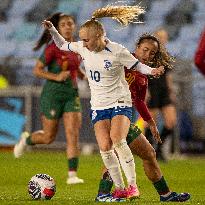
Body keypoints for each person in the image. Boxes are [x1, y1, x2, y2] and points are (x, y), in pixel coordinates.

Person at [43, 4, 164, 202]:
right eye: (81, 40)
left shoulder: (117, 50)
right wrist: (52, 30)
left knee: (118, 139)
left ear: (99, 37)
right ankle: (119, 189)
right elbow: (62, 44)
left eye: (86, 39)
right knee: (105, 149)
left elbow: (138, 66)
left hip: (120, 101)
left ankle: (133, 186)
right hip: (99, 106)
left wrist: (153, 71)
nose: (82, 43)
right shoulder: (83, 47)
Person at [95, 34, 190, 202]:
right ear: (137, 46)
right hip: (107, 112)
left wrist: (151, 123)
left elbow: (139, 101)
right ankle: (103, 194)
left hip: (123, 116)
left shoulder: (142, 78)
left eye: (152, 53)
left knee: (148, 153)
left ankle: (165, 195)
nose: (147, 55)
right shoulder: (122, 58)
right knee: (116, 151)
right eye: (145, 50)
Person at [14, 13, 86, 185]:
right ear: (58, 28)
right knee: (48, 137)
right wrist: (56, 77)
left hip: (71, 94)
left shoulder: (78, 47)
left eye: (70, 23)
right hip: (53, 94)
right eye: (64, 24)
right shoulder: (52, 48)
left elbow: (75, 68)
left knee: (72, 133)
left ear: (74, 26)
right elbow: (37, 70)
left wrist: (84, 76)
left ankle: (72, 175)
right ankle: (27, 139)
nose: (68, 26)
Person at [145, 28, 177, 162]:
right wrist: (145, 91)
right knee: (151, 123)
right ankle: (148, 151)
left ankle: (159, 149)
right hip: (152, 89)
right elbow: (143, 74)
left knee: (171, 121)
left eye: (164, 37)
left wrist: (171, 90)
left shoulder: (167, 56)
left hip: (164, 91)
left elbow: (168, 75)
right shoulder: (148, 56)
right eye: (160, 37)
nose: (162, 40)